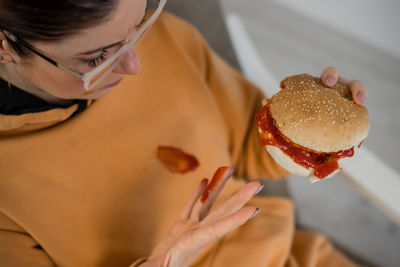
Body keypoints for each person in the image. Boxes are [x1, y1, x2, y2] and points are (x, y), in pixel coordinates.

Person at [0, 0, 368, 266]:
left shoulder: (169, 38)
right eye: (99, 57)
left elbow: (252, 149)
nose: (134, 64)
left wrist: (312, 128)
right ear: (5, 46)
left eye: (140, 23)